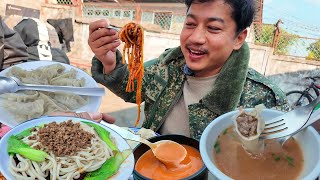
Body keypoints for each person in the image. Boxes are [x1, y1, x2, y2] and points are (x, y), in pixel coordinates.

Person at [87, 0, 290, 140]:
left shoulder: (265, 100)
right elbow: (133, 87)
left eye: (213, 28)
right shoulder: (167, 65)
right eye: (190, 24)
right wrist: (110, 63)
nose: (195, 38)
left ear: (238, 38)